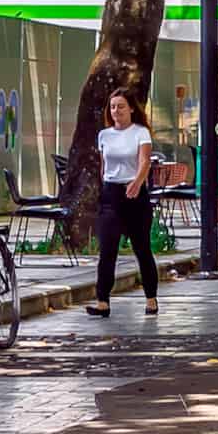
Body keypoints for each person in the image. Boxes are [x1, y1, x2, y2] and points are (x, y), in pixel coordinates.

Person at [87, 90, 158, 318]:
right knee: (107, 249)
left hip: (135, 194)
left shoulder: (141, 132)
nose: (116, 111)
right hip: (111, 194)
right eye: (113, 106)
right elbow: (102, 165)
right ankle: (102, 301)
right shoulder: (104, 135)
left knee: (142, 248)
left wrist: (137, 182)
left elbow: (144, 160)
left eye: (120, 106)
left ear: (131, 109)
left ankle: (151, 298)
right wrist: (104, 188)